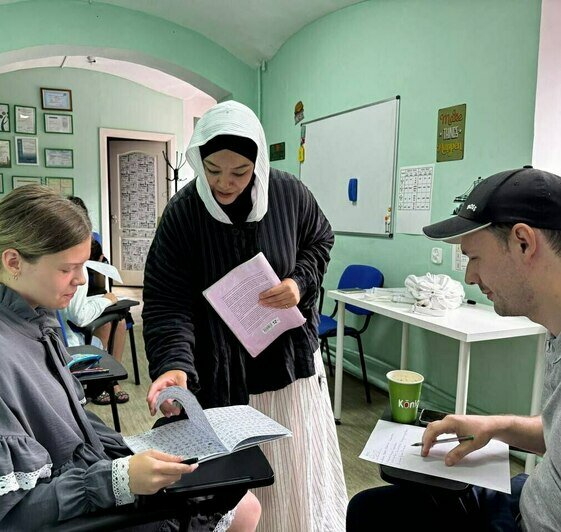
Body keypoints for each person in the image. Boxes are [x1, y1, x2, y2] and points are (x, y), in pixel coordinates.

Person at [0, 184, 260, 530]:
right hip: (71, 508)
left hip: (88, 479)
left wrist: (133, 446)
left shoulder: (36, 315)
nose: (80, 279)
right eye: (67, 269)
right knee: (244, 507)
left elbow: (70, 422)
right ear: (13, 261)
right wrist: (118, 478)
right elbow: (15, 515)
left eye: (83, 266)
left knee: (238, 493)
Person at [142, 100, 348, 531]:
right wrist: (175, 364)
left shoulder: (289, 193)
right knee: (236, 489)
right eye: (213, 169)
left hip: (286, 370)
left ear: (258, 163)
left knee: (294, 474)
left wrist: (299, 283)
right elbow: (167, 301)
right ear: (198, 159)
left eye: (239, 172)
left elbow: (320, 240)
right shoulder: (183, 214)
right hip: (222, 373)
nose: (224, 183)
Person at [347, 166, 561, 531]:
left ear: (524, 242)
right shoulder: (553, 330)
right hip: (525, 499)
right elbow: (554, 435)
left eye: (473, 258)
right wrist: (494, 425)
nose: (469, 277)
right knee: (370, 510)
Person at [61, 195, 129, 405]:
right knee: (109, 321)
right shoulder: (68, 259)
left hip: (80, 308)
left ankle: (111, 380)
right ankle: (103, 380)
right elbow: (79, 315)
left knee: (119, 322)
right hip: (72, 324)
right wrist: (106, 301)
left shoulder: (90, 251)